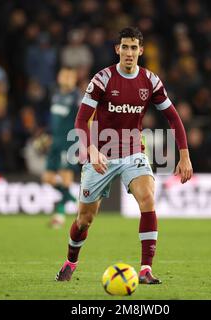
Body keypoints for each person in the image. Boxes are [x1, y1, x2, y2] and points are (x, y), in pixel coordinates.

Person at [56, 27, 193, 284]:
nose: (129, 53)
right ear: (117, 49)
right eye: (125, 47)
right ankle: (70, 261)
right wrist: (90, 150)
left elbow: (173, 118)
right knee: (84, 220)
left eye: (134, 48)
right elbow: (81, 120)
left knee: (147, 199)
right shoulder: (102, 79)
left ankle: (145, 270)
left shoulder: (150, 81)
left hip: (133, 152)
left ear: (141, 51)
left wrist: (184, 156)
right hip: (101, 156)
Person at [42, 67, 80, 228]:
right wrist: (48, 135)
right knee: (47, 178)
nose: (65, 78)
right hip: (55, 141)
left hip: (69, 141)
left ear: (74, 79)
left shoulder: (77, 97)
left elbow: (87, 119)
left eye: (68, 76)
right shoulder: (55, 95)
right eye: (63, 74)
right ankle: (71, 198)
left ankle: (59, 215)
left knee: (65, 177)